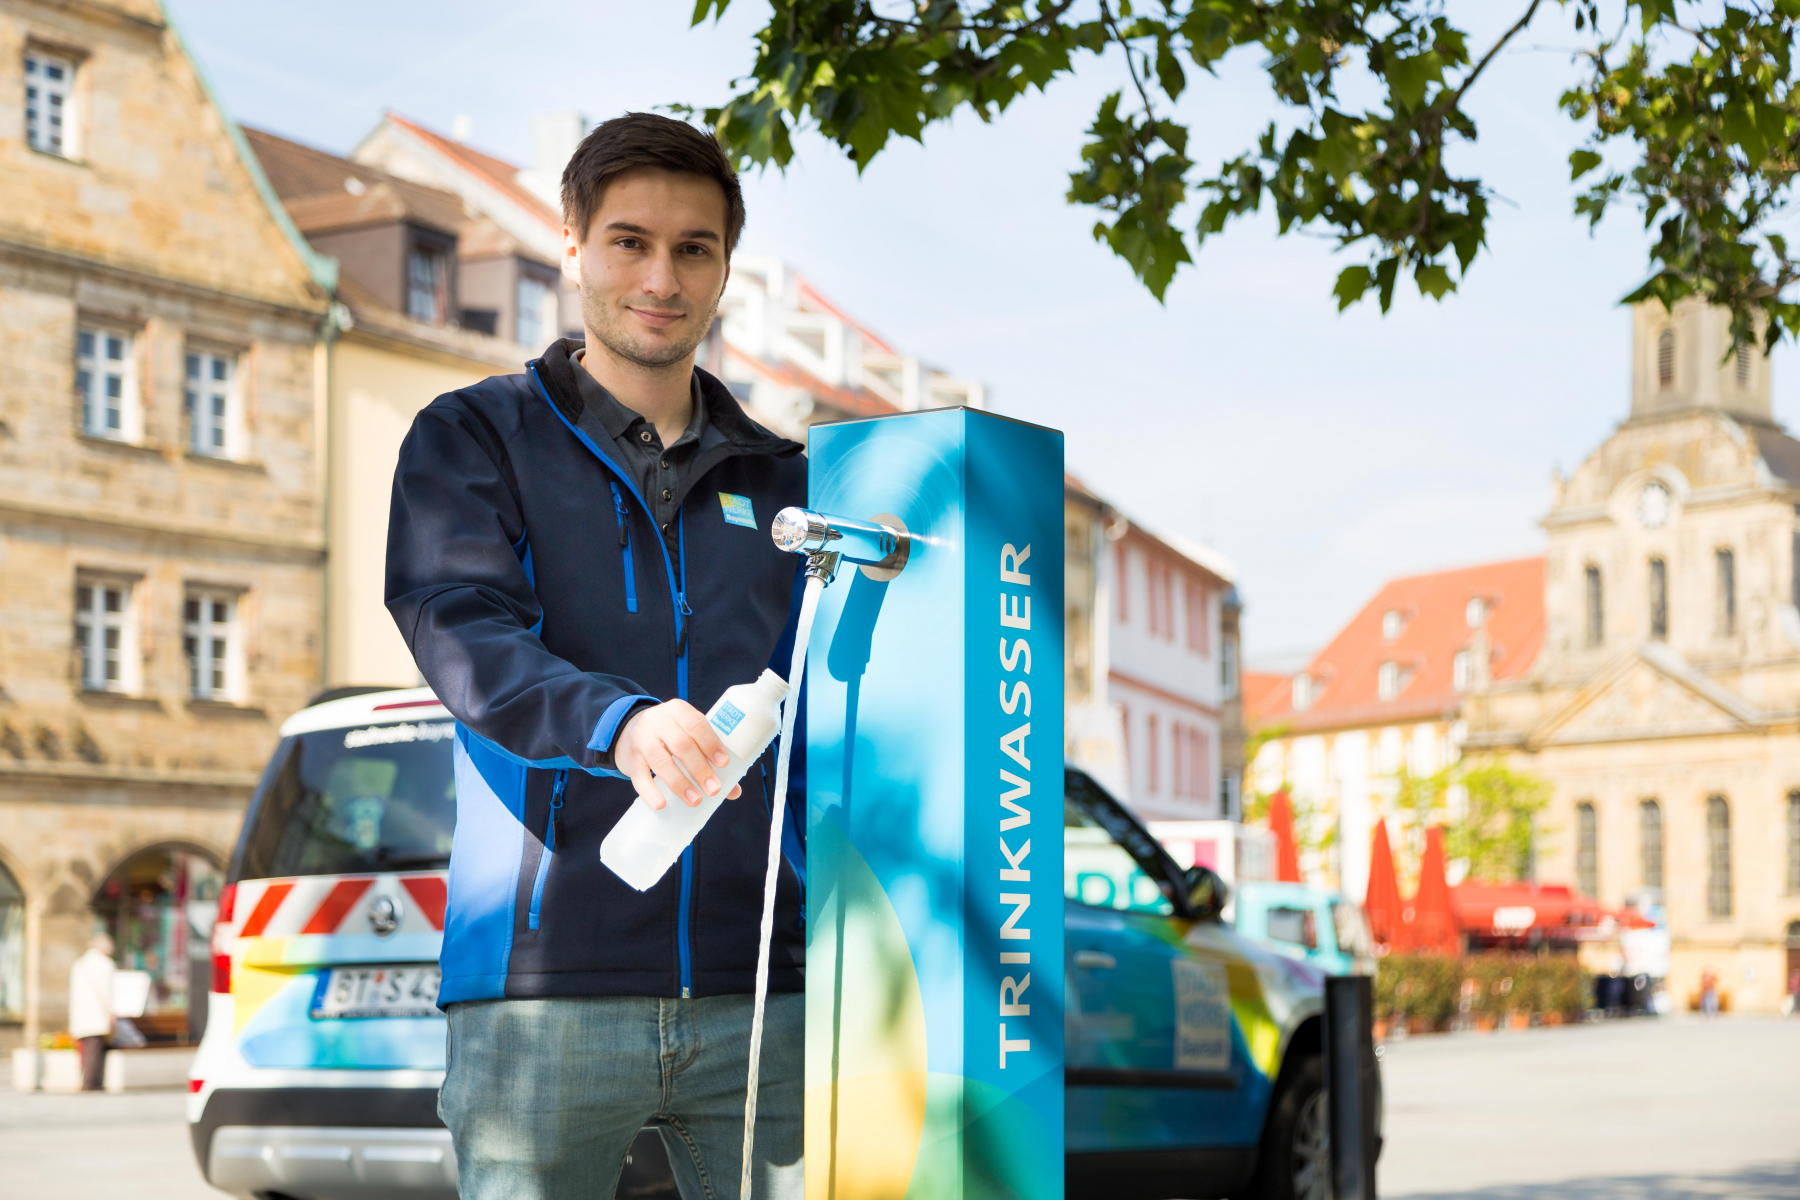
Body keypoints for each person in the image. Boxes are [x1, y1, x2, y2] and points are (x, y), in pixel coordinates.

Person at [386, 112, 807, 1200]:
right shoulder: (474, 436)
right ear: (572, 246)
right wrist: (617, 722)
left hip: (763, 990)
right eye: (630, 241)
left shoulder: (792, 486)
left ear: (724, 268)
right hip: (544, 991)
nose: (661, 276)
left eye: (694, 248)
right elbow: (460, 625)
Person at [68, 933, 116, 1092]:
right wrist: (110, 1012)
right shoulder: (104, 963)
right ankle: (91, 1083)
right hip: (96, 1014)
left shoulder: (79, 963)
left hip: (81, 1015)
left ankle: (86, 1081)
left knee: (86, 1049)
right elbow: (107, 992)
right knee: (94, 1049)